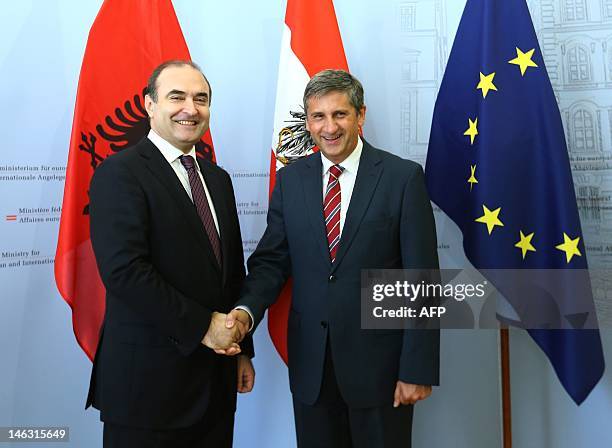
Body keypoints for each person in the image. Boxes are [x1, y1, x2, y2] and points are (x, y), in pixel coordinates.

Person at [228, 69, 440, 447]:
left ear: (360, 116)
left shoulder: (402, 177)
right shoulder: (291, 181)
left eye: (340, 114)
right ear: (307, 121)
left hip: (382, 372)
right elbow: (272, 262)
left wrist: (417, 368)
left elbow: (421, 279)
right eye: (319, 116)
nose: (329, 127)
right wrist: (244, 313)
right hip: (312, 369)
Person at [86, 60, 254, 448]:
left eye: (201, 99)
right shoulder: (119, 172)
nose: (190, 109)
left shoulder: (217, 178)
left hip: (215, 382)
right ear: (148, 105)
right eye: (176, 97)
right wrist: (203, 328)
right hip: (147, 390)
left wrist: (241, 350)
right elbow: (125, 271)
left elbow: (229, 273)